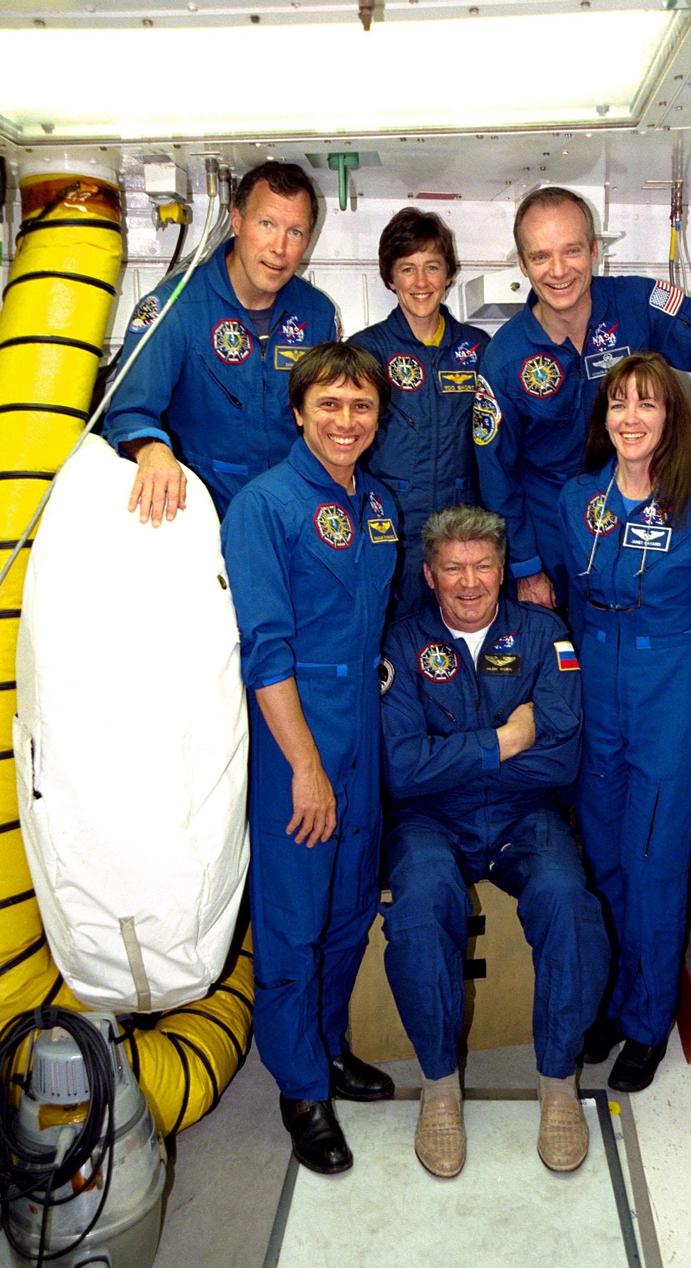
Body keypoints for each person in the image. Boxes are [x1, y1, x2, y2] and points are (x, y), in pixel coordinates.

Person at [379, 505, 609, 1177]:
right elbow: (402, 768)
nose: (469, 582)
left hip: (523, 814)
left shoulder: (543, 634)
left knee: (570, 903)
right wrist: (506, 738)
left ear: (503, 571)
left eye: (483, 566)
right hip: (431, 817)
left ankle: (558, 1082)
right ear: (428, 575)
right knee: (419, 911)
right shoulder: (400, 644)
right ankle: (439, 1087)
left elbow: (560, 757)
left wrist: (453, 754)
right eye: (453, 568)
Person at [220, 342, 399, 1175]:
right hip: (300, 731)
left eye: (360, 406)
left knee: (347, 907)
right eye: (328, 405)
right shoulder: (264, 506)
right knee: (293, 921)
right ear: (298, 412)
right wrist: (303, 766)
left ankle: (327, 1049)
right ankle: (299, 1090)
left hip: (363, 721)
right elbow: (266, 651)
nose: (345, 421)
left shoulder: (379, 506)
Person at [475, 185, 691, 606]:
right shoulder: (504, 358)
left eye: (572, 251)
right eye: (541, 256)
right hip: (553, 543)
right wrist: (526, 569)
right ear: (523, 264)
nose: (558, 270)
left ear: (595, 250)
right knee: (555, 665)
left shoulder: (636, 303)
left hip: (639, 529)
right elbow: (495, 475)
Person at [557, 352, 691, 1093]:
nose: (629, 418)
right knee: (600, 857)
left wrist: (668, 666)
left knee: (653, 866)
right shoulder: (578, 499)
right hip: (594, 688)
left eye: (646, 405)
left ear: (671, 418)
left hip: (669, 683)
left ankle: (645, 1021)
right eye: (617, 405)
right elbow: (570, 593)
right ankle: (607, 1003)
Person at [104, 161, 337, 524]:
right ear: (237, 222)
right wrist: (151, 450)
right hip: (204, 516)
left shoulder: (317, 314)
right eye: (267, 224)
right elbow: (129, 412)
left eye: (295, 232)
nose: (279, 248)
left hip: (291, 515)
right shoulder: (174, 308)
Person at [351, 208, 490, 613]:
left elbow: (498, 444)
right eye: (407, 269)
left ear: (448, 275)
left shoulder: (477, 349)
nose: (421, 281)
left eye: (432, 266)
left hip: (461, 532)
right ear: (390, 278)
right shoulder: (366, 351)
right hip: (390, 529)